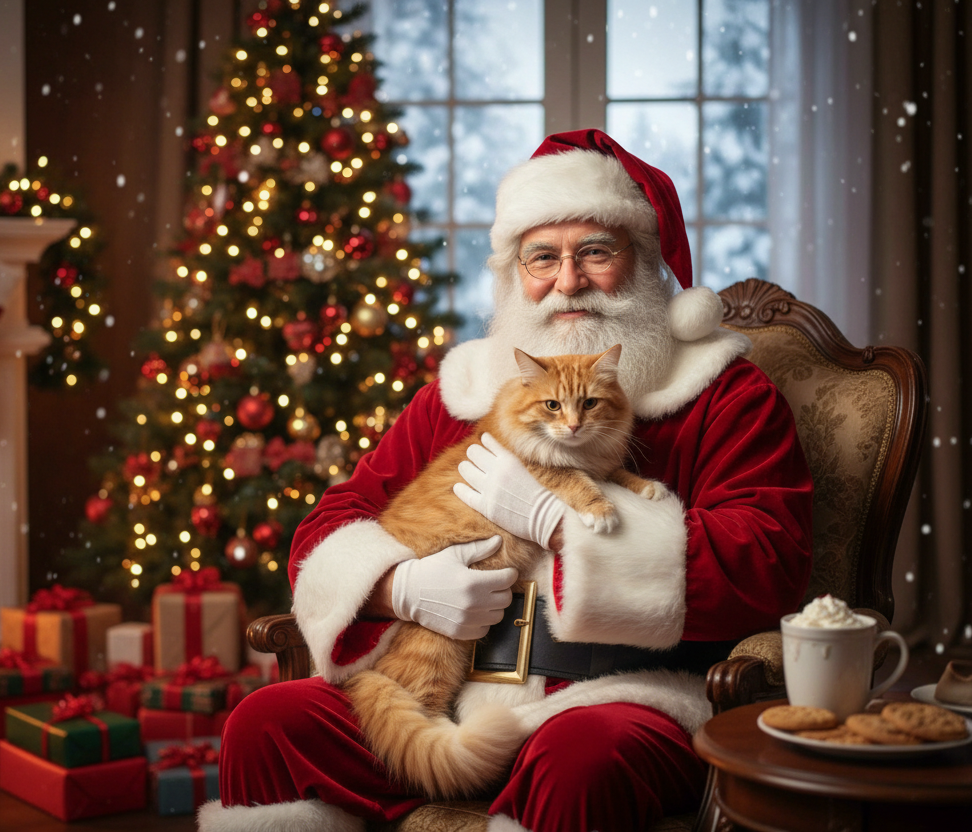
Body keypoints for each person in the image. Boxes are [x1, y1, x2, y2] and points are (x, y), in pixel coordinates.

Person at [199, 129, 813, 832]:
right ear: (514, 275)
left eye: (596, 253)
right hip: (439, 691)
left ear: (643, 264)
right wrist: (397, 586)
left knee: (580, 757)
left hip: (612, 695)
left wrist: (561, 521)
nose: (568, 280)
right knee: (269, 722)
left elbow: (770, 558)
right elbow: (333, 521)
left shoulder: (723, 394)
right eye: (542, 257)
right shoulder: (464, 391)